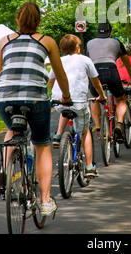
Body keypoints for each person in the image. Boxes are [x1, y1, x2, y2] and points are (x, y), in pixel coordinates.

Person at [0, 2, 70, 217]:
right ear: (38, 21)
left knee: (13, 129)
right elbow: (60, 74)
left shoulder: (4, 41)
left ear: (17, 19)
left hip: (4, 96)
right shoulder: (47, 41)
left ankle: (5, 171)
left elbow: (1, 73)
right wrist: (66, 96)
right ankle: (45, 201)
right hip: (35, 97)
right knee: (42, 143)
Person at [49, 34, 106, 178]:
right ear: (77, 47)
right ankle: (89, 166)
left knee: (64, 111)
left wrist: (54, 95)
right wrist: (102, 95)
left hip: (60, 101)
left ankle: (58, 135)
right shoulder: (85, 60)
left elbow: (51, 82)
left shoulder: (58, 60)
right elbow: (95, 82)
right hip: (79, 102)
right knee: (85, 131)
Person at [86, 23, 131, 142]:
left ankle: (98, 129)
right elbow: (127, 64)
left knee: (95, 98)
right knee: (121, 99)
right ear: (111, 32)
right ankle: (119, 124)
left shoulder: (89, 43)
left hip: (95, 72)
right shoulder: (116, 43)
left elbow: (86, 62)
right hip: (111, 71)